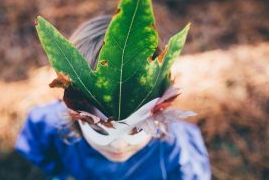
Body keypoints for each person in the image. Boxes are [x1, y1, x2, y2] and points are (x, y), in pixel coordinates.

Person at [15, 15, 211, 180]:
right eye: (98, 128)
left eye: (135, 128)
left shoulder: (177, 154)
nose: (119, 144)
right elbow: (36, 143)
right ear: (73, 109)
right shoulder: (53, 127)